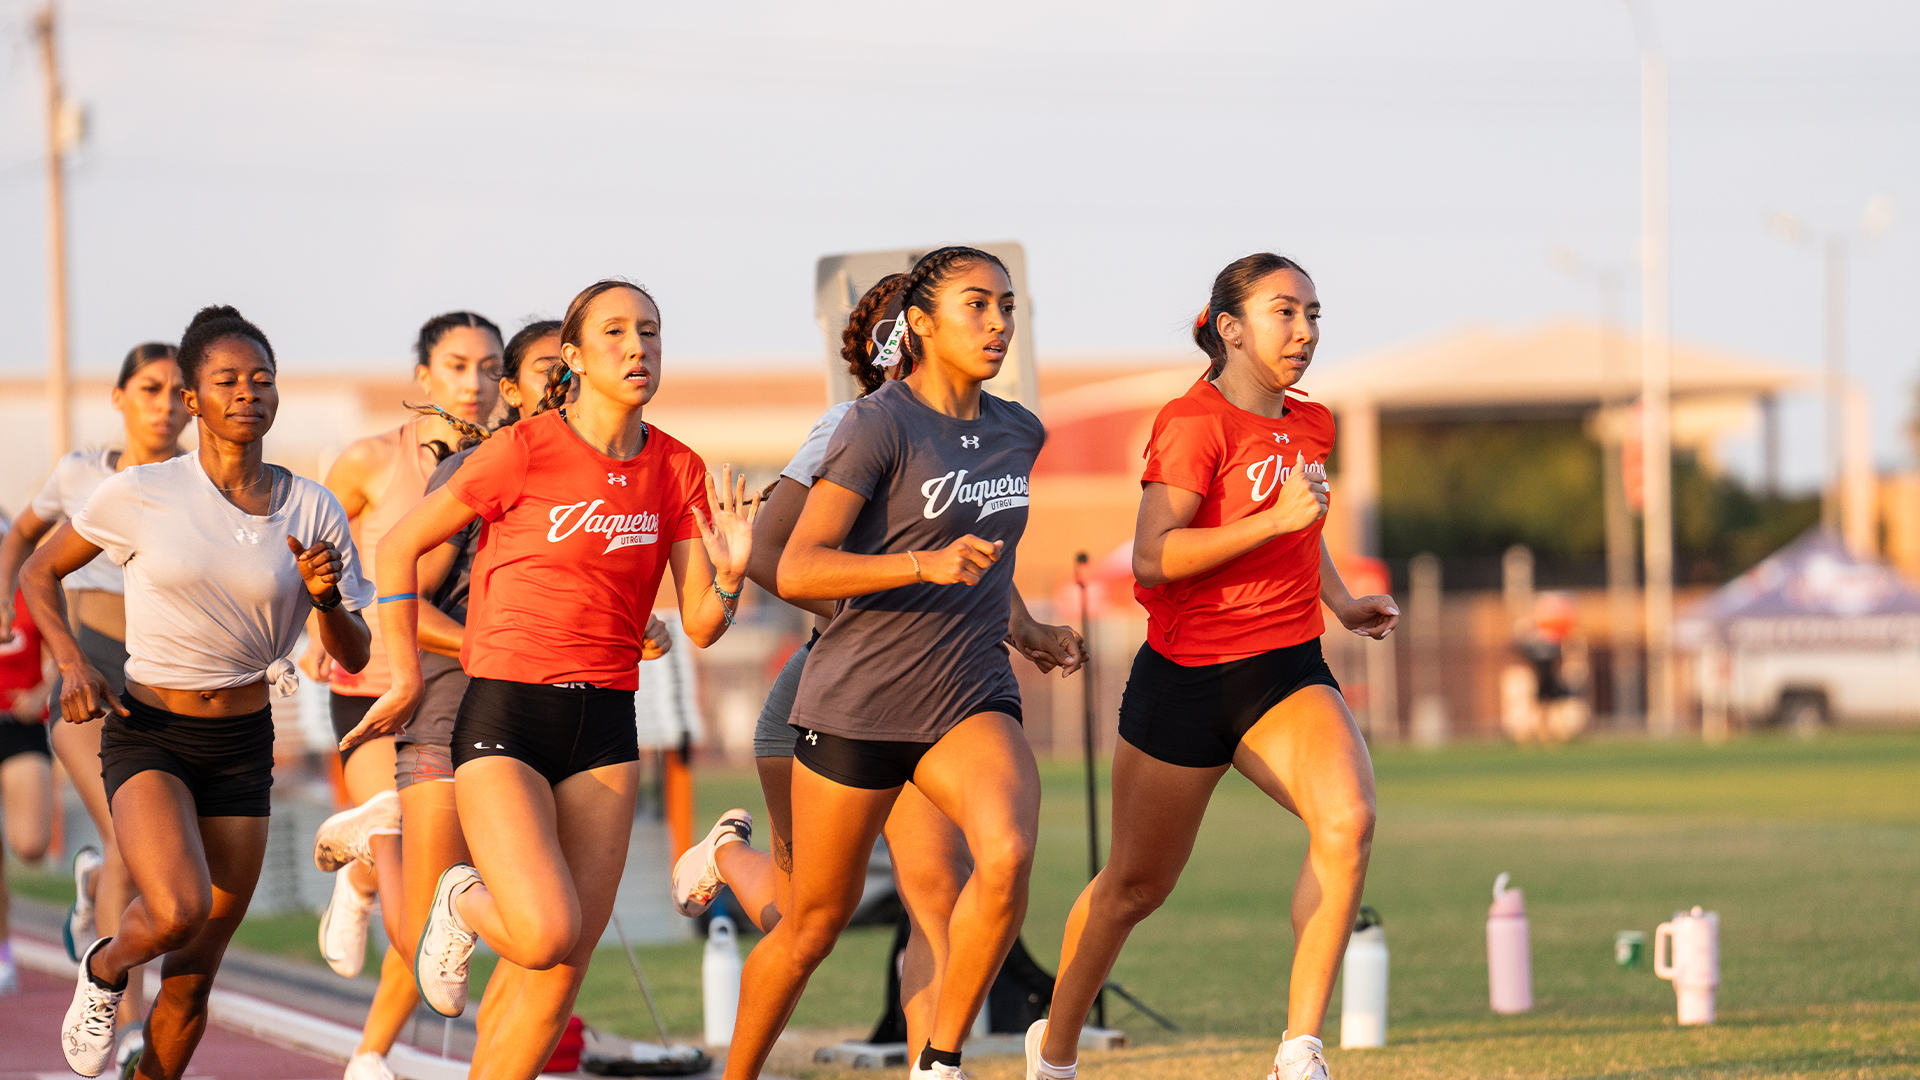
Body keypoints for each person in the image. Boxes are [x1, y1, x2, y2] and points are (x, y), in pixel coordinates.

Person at [344, 279, 757, 1080]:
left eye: (651, 331)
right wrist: (402, 678)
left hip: (605, 726)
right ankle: (456, 898)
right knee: (540, 930)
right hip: (508, 715)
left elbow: (701, 624)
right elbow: (395, 552)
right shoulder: (522, 450)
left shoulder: (678, 467)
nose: (638, 347)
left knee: (561, 970)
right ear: (572, 357)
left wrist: (734, 575)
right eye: (615, 333)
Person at [673, 274, 1081, 1061]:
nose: (997, 324)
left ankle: (939, 1061)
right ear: (912, 335)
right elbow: (784, 561)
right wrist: (900, 591)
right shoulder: (859, 425)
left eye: (1005, 308)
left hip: (960, 695)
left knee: (962, 888)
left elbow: (983, 546)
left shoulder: (1017, 430)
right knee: (811, 923)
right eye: (975, 307)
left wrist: (1023, 626)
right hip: (845, 696)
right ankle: (725, 854)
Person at [1025, 254, 1398, 1080]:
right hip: (1188, 681)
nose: (1304, 332)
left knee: (1349, 821)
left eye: (1313, 314)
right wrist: (1270, 525)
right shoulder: (1192, 423)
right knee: (1133, 887)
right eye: (1283, 313)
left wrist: (1337, 600)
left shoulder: (1313, 424)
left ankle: (1299, 1051)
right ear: (1229, 327)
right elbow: (1155, 560)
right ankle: (1051, 1055)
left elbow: (1305, 526)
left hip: (1286, 670)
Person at [22, 305, 373, 1079]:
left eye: (262, 379)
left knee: (192, 976)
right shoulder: (142, 492)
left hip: (243, 748)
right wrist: (73, 662)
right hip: (151, 730)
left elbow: (352, 650)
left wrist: (325, 601)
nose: (248, 392)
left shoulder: (313, 508)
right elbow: (37, 568)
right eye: (227, 380)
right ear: (193, 400)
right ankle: (107, 964)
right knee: (177, 910)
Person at [304, 311, 504, 1080]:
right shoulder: (366, 463)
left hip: (454, 696)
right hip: (370, 694)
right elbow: (305, 557)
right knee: (408, 916)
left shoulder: (498, 463)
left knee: (427, 917)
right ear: (423, 378)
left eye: (489, 368)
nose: (475, 383)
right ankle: (363, 863)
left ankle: (370, 1055)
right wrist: (313, 632)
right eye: (458, 366)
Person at [0, 341, 190, 1048]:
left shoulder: (200, 483)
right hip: (91, 670)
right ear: (120, 398)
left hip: (169, 679)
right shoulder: (80, 474)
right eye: (149, 389)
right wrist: (8, 604)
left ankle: (94, 904)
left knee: (155, 855)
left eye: (177, 391)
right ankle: (129, 1017)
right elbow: (21, 539)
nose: (165, 405)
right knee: (127, 842)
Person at [0, 566, 56, 996]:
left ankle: (90, 881)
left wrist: (40, 695)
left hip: (20, 725)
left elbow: (64, 657)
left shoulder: (31, 594)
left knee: (32, 845)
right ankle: (3, 951)